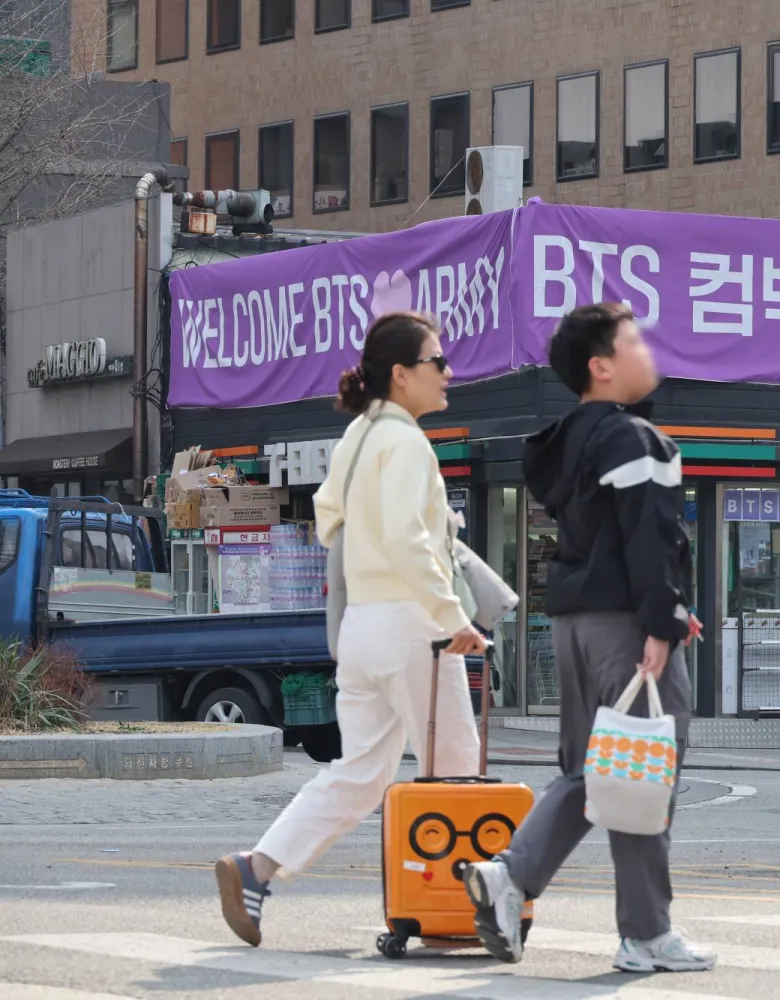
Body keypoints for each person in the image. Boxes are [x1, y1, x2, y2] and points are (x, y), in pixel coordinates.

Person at [214, 311, 488, 947]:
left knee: (360, 773)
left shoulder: (359, 438)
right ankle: (453, 912)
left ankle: (256, 868)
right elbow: (406, 539)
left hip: (363, 625)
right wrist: (454, 617)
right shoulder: (408, 443)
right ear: (400, 374)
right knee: (453, 774)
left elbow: (328, 519)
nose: (449, 373)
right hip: (413, 628)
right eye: (436, 363)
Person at [464, 303, 714, 973]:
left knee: (595, 771)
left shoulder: (566, 443)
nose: (646, 352)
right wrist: (662, 622)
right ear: (601, 367)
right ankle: (642, 931)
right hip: (627, 627)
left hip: (574, 622)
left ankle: (519, 880)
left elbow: (608, 538)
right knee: (642, 774)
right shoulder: (636, 440)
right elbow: (650, 538)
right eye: (633, 342)